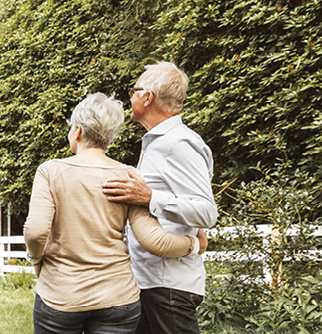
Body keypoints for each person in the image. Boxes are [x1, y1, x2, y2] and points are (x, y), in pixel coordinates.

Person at [25, 93, 200, 334]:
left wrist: (36, 260)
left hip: (61, 296)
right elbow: (153, 241)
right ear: (109, 138)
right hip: (118, 299)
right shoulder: (128, 176)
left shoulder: (50, 171)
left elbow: (35, 232)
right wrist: (194, 243)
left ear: (77, 132)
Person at [102, 61, 217, 334]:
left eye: (134, 90)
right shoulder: (157, 142)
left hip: (170, 287)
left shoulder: (178, 144)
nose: (130, 96)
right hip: (148, 282)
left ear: (147, 97)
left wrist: (149, 197)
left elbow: (207, 212)